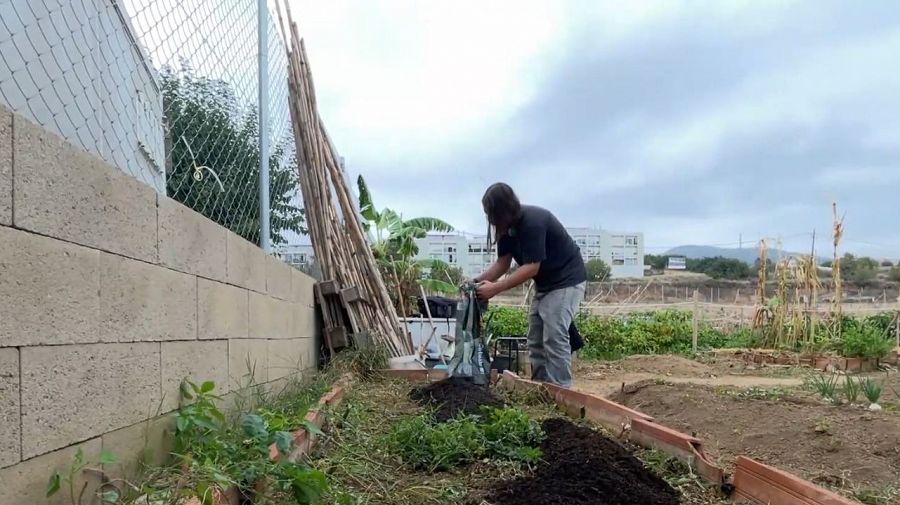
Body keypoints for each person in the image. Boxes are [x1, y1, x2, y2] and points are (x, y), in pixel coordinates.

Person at [472, 183, 586, 386]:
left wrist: (495, 289)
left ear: (504, 209)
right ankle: (541, 388)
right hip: (546, 284)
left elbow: (532, 267)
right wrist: (476, 281)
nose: (491, 219)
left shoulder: (533, 222)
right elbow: (502, 264)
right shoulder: (506, 229)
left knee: (554, 335)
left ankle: (561, 390)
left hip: (567, 279)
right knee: (535, 338)